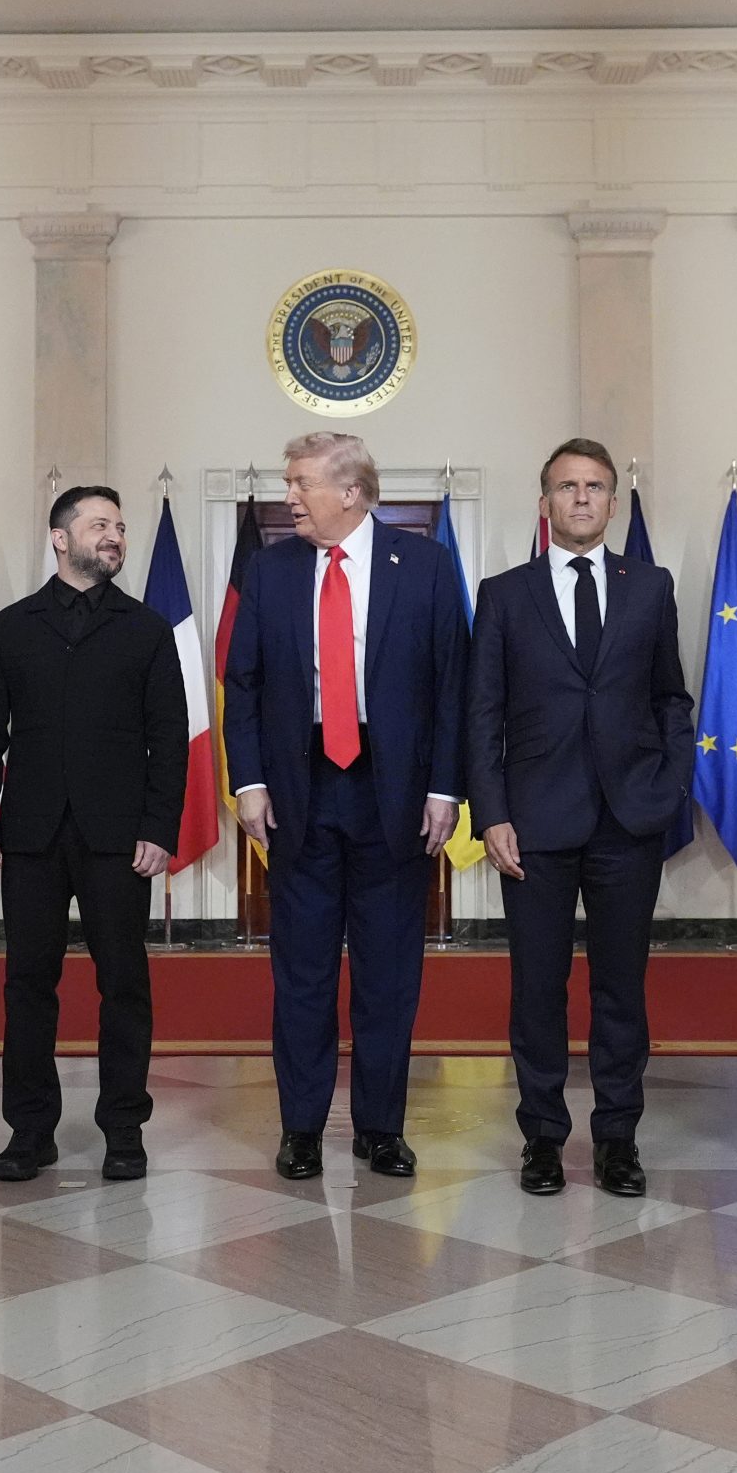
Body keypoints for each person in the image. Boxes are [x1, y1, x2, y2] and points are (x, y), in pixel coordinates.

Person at [223, 431, 466, 1179]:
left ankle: (381, 1128)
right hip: (299, 793)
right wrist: (249, 781)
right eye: (288, 482)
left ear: (351, 492)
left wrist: (444, 787)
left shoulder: (424, 566)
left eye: (301, 482)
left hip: (393, 794)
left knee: (388, 973)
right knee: (303, 972)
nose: (289, 496)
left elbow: (452, 686)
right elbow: (244, 683)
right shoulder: (270, 570)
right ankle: (301, 1127)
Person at [467, 439, 692, 1197]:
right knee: (539, 987)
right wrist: (491, 814)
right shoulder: (504, 593)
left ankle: (618, 1137)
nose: (583, 497)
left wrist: (669, 786)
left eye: (595, 486)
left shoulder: (650, 586)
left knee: (621, 988)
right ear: (545, 502)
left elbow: (671, 697)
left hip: (629, 818)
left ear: (613, 502)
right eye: (567, 486)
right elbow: (483, 712)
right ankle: (542, 1136)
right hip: (534, 822)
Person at [0, 485, 188, 1183]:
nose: (114, 535)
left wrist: (159, 826)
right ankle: (30, 1130)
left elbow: (169, 739)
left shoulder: (146, 628)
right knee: (28, 983)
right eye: (99, 525)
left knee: (124, 983)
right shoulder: (10, 628)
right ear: (60, 538)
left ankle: (124, 1128)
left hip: (120, 837)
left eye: (119, 526)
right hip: (29, 834)